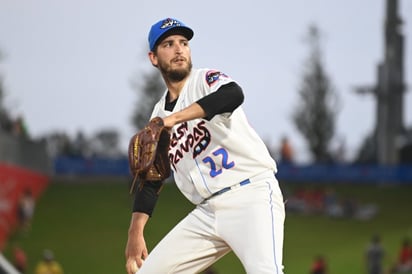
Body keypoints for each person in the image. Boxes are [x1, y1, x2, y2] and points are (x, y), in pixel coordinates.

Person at [125, 18, 286, 274]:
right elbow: (152, 178)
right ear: (153, 58)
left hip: (250, 194)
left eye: (184, 43)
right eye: (168, 44)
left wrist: (174, 119)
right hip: (207, 212)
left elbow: (233, 95)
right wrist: (136, 232)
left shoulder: (206, 80)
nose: (179, 49)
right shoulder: (158, 115)